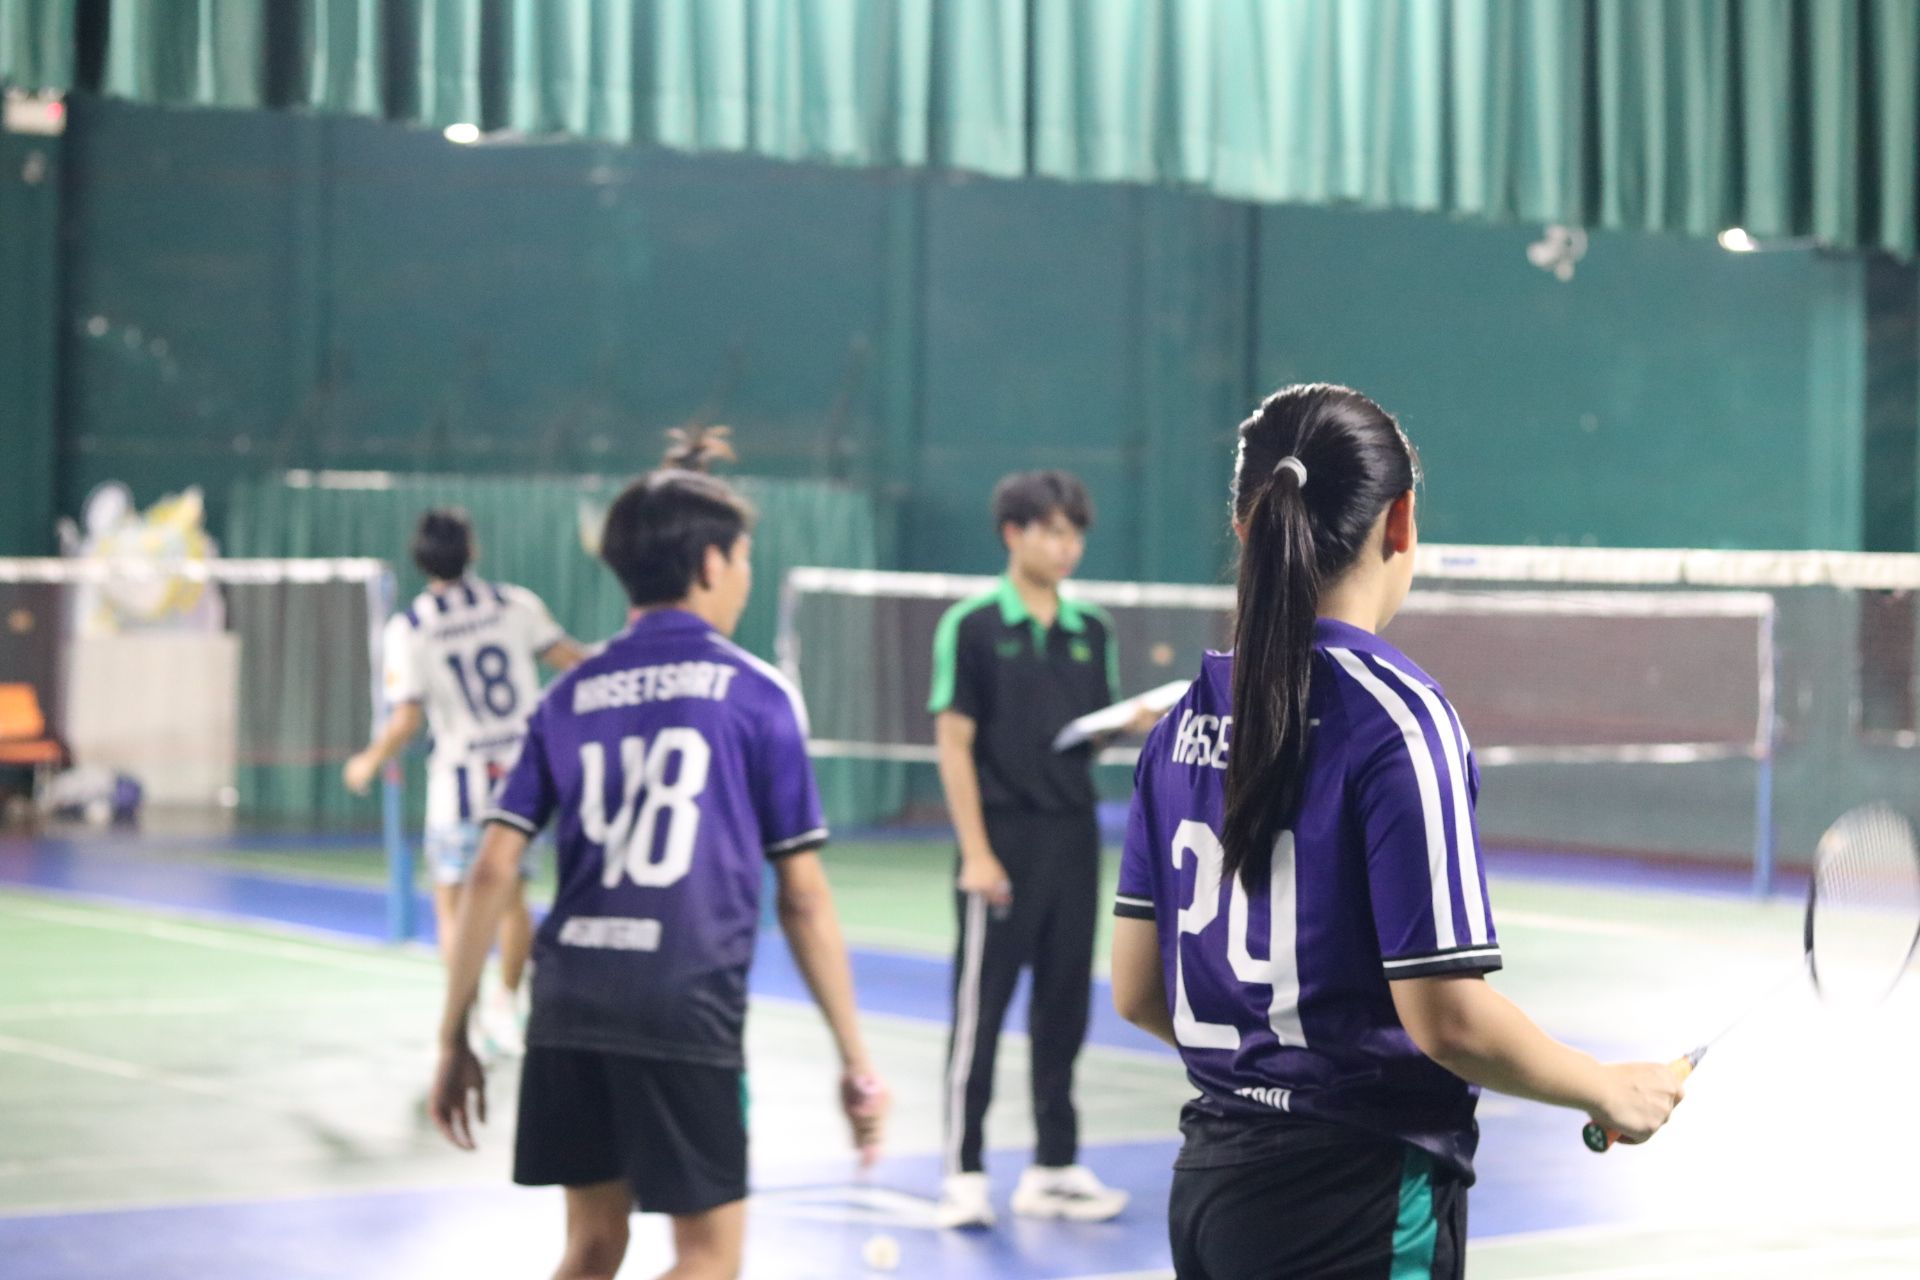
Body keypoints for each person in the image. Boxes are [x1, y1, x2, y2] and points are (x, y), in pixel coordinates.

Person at [1108, 385, 1685, 1279]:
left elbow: (1139, 992)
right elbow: (1446, 1019)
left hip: (1213, 1194)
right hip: (1358, 1204)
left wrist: (1269, 1078)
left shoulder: (1181, 724)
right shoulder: (1397, 723)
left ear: (1246, 529)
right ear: (1401, 520)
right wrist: (1605, 1087)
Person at [428, 430, 887, 1280]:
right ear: (710, 563)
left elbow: (493, 869)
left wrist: (453, 1035)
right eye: (743, 560)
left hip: (568, 1002)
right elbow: (803, 898)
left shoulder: (567, 695)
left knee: (592, 1246)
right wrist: (856, 1058)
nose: (745, 576)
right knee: (709, 1259)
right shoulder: (757, 695)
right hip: (682, 1006)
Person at [928, 470, 1154, 1228]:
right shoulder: (971, 626)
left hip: (1073, 838)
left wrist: (1131, 721)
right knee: (981, 1011)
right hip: (1000, 840)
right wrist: (976, 852)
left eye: (1075, 533)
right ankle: (962, 1171)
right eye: (1053, 531)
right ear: (1013, 534)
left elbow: (1084, 735)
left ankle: (1053, 1167)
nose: (1067, 547)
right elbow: (954, 744)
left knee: (1063, 1005)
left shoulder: (1092, 630)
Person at [345, 508, 586, 1053]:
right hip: (523, 780)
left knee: (453, 906)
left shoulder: (411, 628)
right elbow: (574, 660)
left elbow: (406, 719)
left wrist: (368, 760)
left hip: (458, 783)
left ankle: (466, 1021)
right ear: (472, 549)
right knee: (513, 900)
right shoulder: (515, 605)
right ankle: (507, 1007)